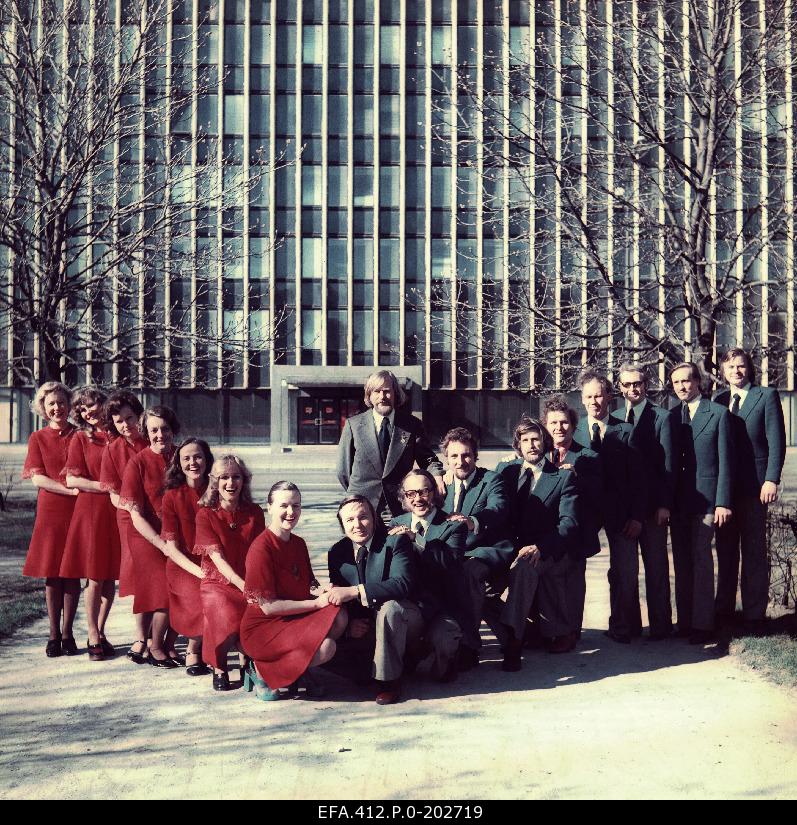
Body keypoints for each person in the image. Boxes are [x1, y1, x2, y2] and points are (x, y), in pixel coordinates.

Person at [240, 481, 345, 701]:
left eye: (296, 506)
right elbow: (268, 607)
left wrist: (325, 590)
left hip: (292, 618)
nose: (291, 512)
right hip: (264, 627)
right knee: (326, 648)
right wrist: (317, 604)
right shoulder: (261, 548)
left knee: (340, 614)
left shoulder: (298, 543)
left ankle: (296, 671)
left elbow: (310, 584)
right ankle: (260, 668)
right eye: (284, 505)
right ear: (269, 507)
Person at [495, 417, 581, 668]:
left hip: (547, 549)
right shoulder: (507, 472)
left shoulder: (563, 477)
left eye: (536, 439)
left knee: (524, 567)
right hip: (510, 547)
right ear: (518, 446)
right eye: (525, 440)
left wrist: (541, 547)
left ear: (545, 442)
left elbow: (569, 523)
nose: (531, 445)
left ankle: (513, 640)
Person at [714, 348, 786, 634]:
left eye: (741, 366)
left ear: (749, 368)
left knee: (754, 551)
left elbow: (776, 441)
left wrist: (771, 479)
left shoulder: (766, 396)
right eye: (730, 367)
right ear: (723, 371)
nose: (736, 372)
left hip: (756, 488)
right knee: (726, 551)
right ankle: (725, 612)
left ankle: (754, 615)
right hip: (725, 490)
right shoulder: (717, 400)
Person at [573, 368, 646, 644]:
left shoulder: (626, 430)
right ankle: (570, 628)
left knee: (624, 571)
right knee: (573, 570)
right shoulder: (573, 431)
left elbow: (640, 481)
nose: (594, 402)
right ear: (582, 400)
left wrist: (637, 516)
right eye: (589, 397)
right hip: (585, 514)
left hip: (621, 513)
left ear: (609, 397)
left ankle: (622, 626)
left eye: (599, 396)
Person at [327, 495, 417, 705]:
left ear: (375, 519)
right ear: (342, 525)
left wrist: (355, 591)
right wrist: (349, 625)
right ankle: (380, 666)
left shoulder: (394, 541)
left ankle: (389, 682)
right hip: (368, 623)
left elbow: (402, 584)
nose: (357, 525)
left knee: (389, 608)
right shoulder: (337, 552)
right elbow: (341, 595)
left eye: (363, 517)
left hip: (404, 617)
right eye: (349, 520)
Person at [439, 427, 513, 669]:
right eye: (454, 456)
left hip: (487, 550)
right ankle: (512, 638)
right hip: (454, 553)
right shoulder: (442, 486)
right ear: (446, 459)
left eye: (466, 455)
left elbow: (498, 509)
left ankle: (469, 646)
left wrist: (473, 521)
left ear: (475, 455)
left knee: (468, 575)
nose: (461, 462)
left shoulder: (491, 480)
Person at [669, 361, 733, 644]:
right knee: (682, 563)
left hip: (707, 501)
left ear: (698, 382)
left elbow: (726, 462)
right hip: (680, 503)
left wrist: (723, 502)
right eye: (677, 383)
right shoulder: (671, 416)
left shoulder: (718, 414)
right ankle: (684, 622)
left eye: (687, 381)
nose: (683, 387)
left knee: (702, 561)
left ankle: (702, 624)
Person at [194, 455, 266, 691]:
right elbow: (217, 558)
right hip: (218, 582)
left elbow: (261, 551)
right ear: (214, 482)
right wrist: (242, 584)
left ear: (244, 481)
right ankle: (220, 666)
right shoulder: (206, 514)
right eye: (224, 477)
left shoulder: (254, 512)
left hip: (249, 579)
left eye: (236, 477)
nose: (230, 483)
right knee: (223, 610)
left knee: (258, 612)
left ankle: (248, 660)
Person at [388, 470, 467, 682]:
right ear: (403, 497)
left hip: (443, 607)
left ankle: (442, 653)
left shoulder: (453, 524)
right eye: (411, 493)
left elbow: (449, 563)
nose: (418, 499)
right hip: (413, 606)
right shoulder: (395, 523)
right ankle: (412, 653)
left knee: (443, 671)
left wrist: (416, 539)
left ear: (434, 493)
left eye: (424, 491)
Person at [59, 386, 120, 661]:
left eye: (92, 405)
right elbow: (72, 480)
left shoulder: (118, 435)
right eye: (82, 409)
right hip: (92, 511)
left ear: (104, 403)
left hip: (117, 511)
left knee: (109, 577)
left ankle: (102, 630)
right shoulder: (80, 439)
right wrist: (105, 486)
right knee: (94, 577)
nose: (88, 412)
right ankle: (92, 633)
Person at [336, 370, 445, 523]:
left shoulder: (412, 425)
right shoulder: (353, 425)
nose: (382, 397)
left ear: (395, 393)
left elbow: (428, 459)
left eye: (387, 391)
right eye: (377, 391)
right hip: (362, 506)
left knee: (400, 545)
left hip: (399, 504)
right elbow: (343, 471)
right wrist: (360, 491)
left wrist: (437, 475)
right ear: (369, 395)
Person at [617, 363, 677, 640]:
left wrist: (665, 504)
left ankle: (661, 626)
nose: (633, 389)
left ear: (646, 384)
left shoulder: (661, 418)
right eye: (627, 385)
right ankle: (629, 627)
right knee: (625, 573)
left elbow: (668, 465)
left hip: (653, 510)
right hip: (624, 511)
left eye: (637, 383)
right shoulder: (615, 417)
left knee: (656, 570)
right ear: (620, 387)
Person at [21, 381, 79, 657]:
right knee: (53, 572)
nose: (57, 407)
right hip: (51, 510)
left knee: (72, 572)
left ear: (69, 404)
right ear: (43, 408)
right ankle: (53, 633)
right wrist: (68, 489)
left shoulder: (80, 435)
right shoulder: (38, 438)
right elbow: (37, 478)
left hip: (79, 510)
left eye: (61, 402)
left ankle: (68, 634)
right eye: (51, 403)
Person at [119, 405, 181, 667]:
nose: (160, 435)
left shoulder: (181, 456)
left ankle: (168, 643)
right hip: (146, 535)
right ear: (146, 431)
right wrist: (162, 545)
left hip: (177, 534)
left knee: (183, 587)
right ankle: (156, 645)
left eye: (165, 429)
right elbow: (134, 514)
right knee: (162, 590)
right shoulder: (138, 462)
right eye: (154, 430)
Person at [541, 395, 602, 645]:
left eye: (564, 422)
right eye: (553, 423)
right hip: (547, 531)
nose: (559, 428)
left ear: (573, 426)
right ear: (545, 426)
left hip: (576, 531)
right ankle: (551, 629)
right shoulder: (539, 454)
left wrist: (577, 477)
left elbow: (598, 496)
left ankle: (571, 631)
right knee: (548, 580)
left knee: (573, 582)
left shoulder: (588, 456)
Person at [99, 390, 149, 664]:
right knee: (141, 578)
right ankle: (141, 636)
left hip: (159, 516)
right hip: (129, 518)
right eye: (119, 421)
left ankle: (160, 635)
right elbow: (113, 493)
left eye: (130, 418)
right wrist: (134, 508)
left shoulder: (152, 440)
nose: (125, 425)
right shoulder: (112, 449)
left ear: (139, 416)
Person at [160, 438, 214, 676]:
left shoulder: (216, 490)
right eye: (187, 458)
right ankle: (193, 650)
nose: (193, 462)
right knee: (198, 596)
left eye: (198, 456)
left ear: (207, 459)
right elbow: (171, 547)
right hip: (182, 565)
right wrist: (200, 572)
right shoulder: (172, 496)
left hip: (213, 561)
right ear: (179, 463)